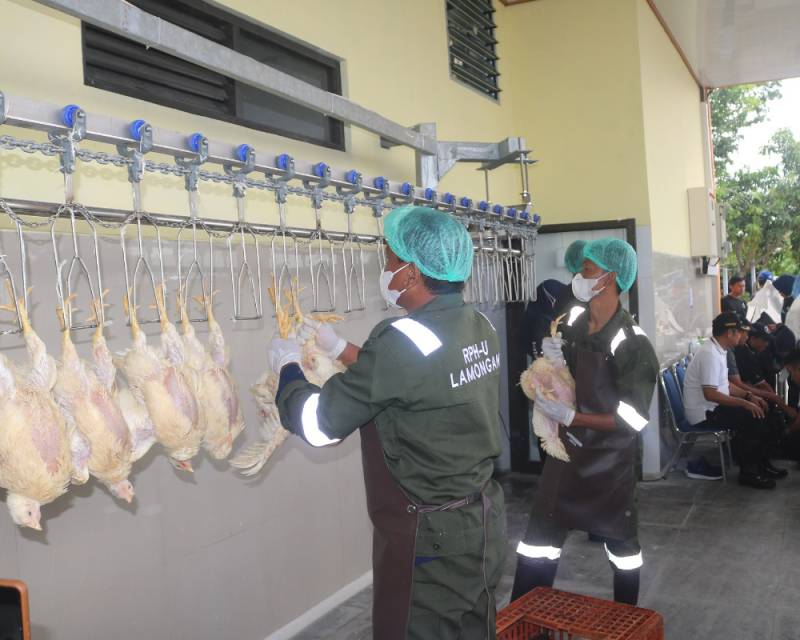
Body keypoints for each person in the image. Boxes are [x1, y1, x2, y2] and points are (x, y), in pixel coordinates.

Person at [267, 205, 507, 640]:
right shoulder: (479, 325)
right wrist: (339, 348)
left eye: (390, 260)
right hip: (483, 519)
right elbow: (418, 380)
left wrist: (287, 370)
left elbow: (319, 426)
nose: (386, 270)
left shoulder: (400, 341)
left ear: (411, 273)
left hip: (431, 537)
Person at [510, 237, 658, 606]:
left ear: (610, 278)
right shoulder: (575, 321)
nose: (579, 276)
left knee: (623, 551)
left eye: (588, 270)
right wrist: (555, 359)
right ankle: (526, 618)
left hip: (611, 462)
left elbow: (633, 418)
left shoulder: (632, 343)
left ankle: (626, 622)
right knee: (537, 543)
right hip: (567, 454)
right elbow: (569, 377)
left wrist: (575, 417)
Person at [682, 312, 775, 488]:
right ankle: (749, 473)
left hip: (713, 407)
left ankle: (761, 464)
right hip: (704, 413)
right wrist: (745, 403)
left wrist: (749, 396)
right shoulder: (709, 354)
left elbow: (726, 386)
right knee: (753, 417)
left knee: (761, 410)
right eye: (739, 332)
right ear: (729, 333)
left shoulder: (720, 350)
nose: (741, 335)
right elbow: (710, 394)